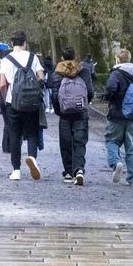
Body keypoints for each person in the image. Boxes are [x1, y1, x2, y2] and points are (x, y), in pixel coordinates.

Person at [0, 31, 45, 181]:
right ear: (25, 43)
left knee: (15, 135)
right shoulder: (33, 57)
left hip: (13, 102)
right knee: (31, 133)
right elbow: (41, 77)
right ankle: (32, 158)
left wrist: (6, 99)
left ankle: (16, 170)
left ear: (12, 44)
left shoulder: (6, 59)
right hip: (32, 102)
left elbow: (2, 83)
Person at [51, 46, 94, 185]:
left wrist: (59, 111)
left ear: (62, 58)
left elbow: (54, 95)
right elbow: (90, 91)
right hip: (81, 112)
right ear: (75, 57)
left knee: (65, 143)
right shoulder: (84, 72)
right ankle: (79, 169)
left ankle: (68, 172)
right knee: (80, 142)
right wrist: (84, 104)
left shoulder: (57, 73)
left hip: (64, 114)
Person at [103, 49, 133, 185]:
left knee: (111, 142)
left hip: (117, 115)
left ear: (118, 60)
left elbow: (110, 88)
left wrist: (108, 98)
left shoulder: (116, 73)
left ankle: (116, 163)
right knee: (132, 147)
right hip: (132, 116)